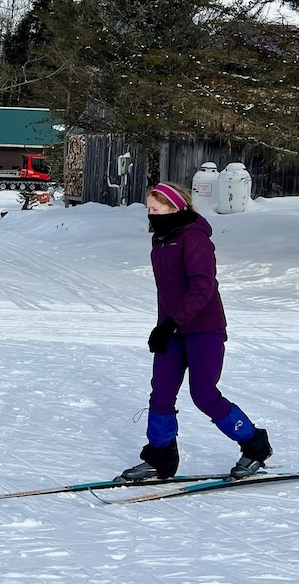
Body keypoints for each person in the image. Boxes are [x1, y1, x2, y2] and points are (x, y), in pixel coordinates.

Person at [118, 183, 273, 483]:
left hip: (204, 329)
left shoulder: (194, 239)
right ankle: (160, 458)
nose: (150, 215)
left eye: (156, 209)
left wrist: (171, 322)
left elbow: (203, 286)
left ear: (175, 208)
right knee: (161, 394)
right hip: (171, 329)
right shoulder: (161, 240)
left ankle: (255, 446)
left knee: (204, 395)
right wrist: (166, 324)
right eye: (148, 209)